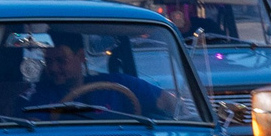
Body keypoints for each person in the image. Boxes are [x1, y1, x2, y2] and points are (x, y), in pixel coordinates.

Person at [16, 28, 171, 117]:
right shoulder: (37, 96)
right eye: (49, 61)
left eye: (61, 61)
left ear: (81, 56)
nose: (54, 68)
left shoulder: (118, 85)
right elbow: (32, 126)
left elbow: (169, 102)